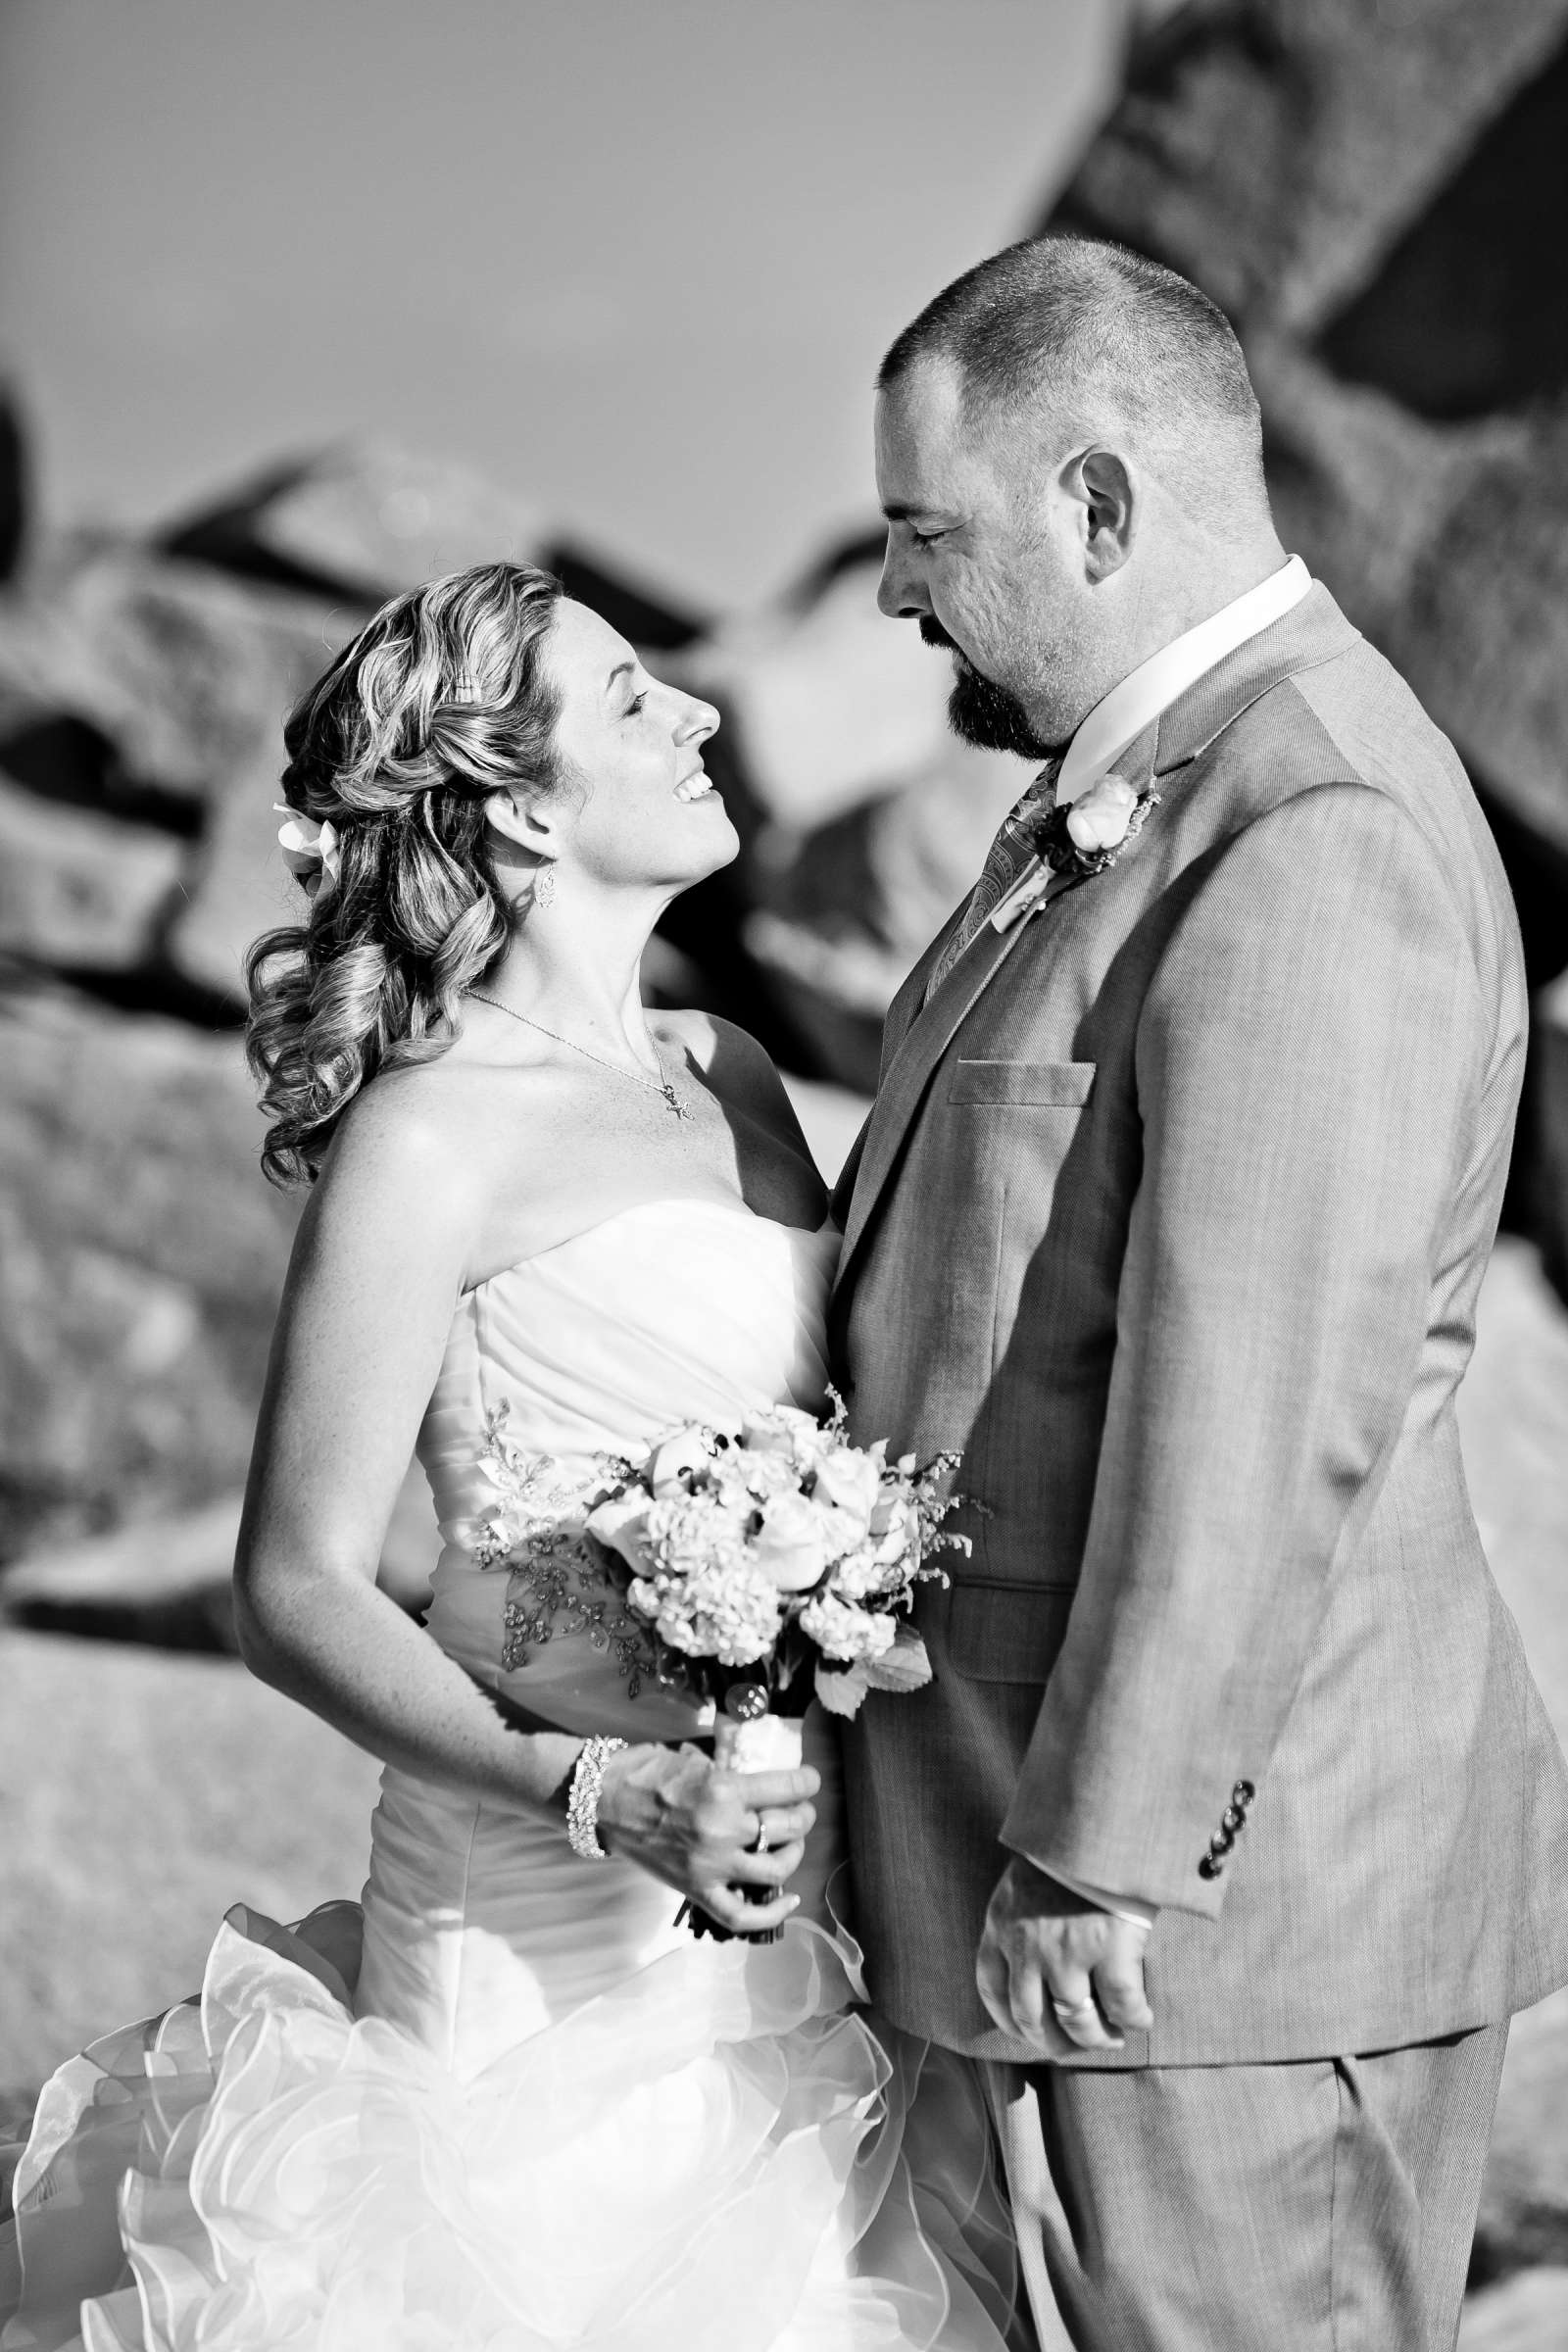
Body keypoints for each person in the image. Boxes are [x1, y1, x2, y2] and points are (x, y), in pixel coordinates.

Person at [0, 564, 1019, 2351]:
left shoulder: (738, 1073)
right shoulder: (430, 1135)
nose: (704, 713)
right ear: (524, 801)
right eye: (636, 698)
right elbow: (297, 1583)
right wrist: (602, 1789)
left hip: (775, 1931)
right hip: (533, 1952)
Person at [831, 234, 1568, 2352]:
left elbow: (1254, 1408)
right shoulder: (1116, 805)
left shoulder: (1306, 822)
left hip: (1202, 1947)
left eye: (922, 533)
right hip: (1031, 1915)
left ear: (1094, 503)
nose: (892, 594)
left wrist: (1101, 1854)